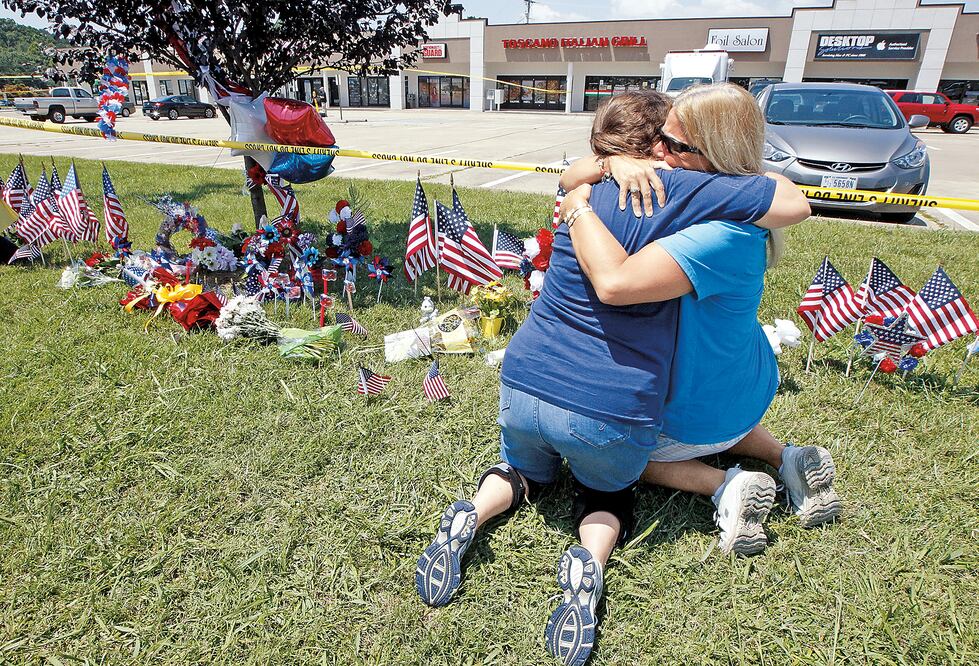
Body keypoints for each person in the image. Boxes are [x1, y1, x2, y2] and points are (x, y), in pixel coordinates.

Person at [415, 90, 810, 666]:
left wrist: (594, 176)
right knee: (606, 491)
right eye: (665, 141)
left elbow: (572, 177)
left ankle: (471, 513)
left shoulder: (581, 188)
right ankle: (588, 566)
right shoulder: (690, 192)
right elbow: (791, 202)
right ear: (653, 144)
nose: (667, 151)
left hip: (523, 377)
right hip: (604, 402)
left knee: (522, 470)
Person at [559, 83, 842, 559]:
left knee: (617, 450)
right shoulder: (741, 203)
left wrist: (581, 205)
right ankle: (785, 457)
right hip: (748, 389)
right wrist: (610, 162)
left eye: (671, 145)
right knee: (722, 412)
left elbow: (615, 282)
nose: (656, 152)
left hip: (695, 403)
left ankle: (724, 484)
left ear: (714, 151)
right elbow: (787, 195)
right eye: (656, 141)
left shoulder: (709, 231)